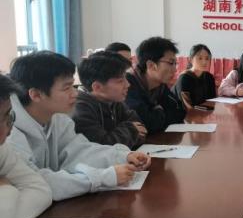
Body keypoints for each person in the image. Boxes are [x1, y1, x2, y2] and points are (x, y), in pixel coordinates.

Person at [7, 51, 150, 201]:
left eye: (72, 85)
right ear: (36, 95)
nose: (75, 93)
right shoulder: (8, 132)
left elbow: (78, 151)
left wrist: (122, 156)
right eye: (66, 88)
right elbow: (36, 183)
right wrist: (101, 178)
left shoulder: (57, 118)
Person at [0, 74, 52, 218]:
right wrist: (7, 187)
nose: (8, 130)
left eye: (9, 116)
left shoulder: (2, 150)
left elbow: (41, 192)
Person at [73, 51, 146, 149]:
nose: (128, 84)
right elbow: (101, 147)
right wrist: (131, 130)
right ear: (97, 87)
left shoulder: (114, 101)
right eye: (120, 81)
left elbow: (142, 131)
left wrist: (118, 134)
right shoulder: (80, 109)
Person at [126, 37, 186, 134]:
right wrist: (160, 111)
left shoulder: (160, 85)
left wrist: (156, 112)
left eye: (176, 63)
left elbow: (180, 111)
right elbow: (146, 123)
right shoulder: (127, 84)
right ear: (151, 65)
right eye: (171, 63)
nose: (175, 70)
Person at [172, 44, 216, 109]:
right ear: (191, 60)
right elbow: (187, 107)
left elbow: (212, 101)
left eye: (207, 58)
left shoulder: (209, 77)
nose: (204, 62)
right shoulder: (184, 78)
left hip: (204, 112)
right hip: (181, 113)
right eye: (200, 58)